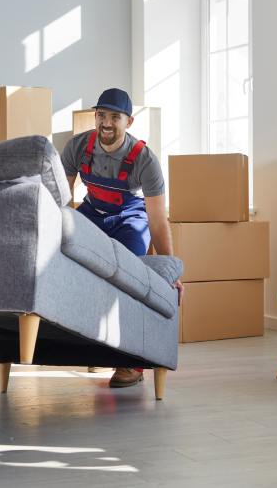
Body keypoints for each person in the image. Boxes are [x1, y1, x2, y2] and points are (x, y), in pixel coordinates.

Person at [61, 88, 182, 389]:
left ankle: (131, 363)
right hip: (92, 211)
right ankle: (97, 346)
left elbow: (157, 219)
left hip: (130, 218)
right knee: (77, 267)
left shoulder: (145, 160)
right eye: (101, 115)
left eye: (115, 117)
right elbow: (61, 200)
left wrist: (170, 270)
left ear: (129, 121)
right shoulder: (77, 147)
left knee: (129, 280)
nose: (106, 123)